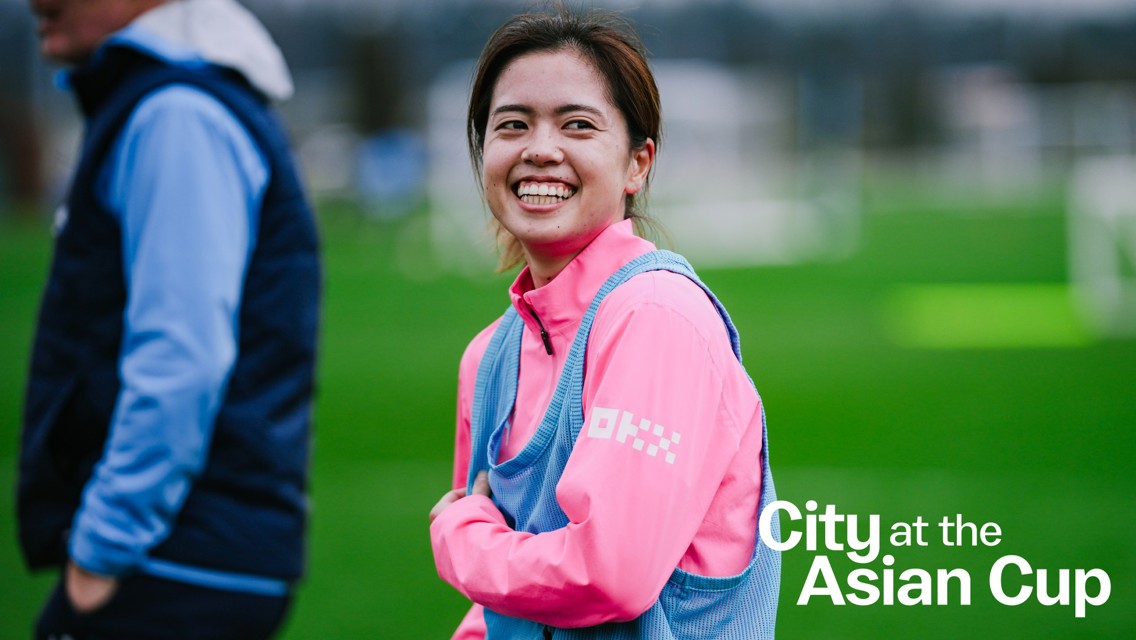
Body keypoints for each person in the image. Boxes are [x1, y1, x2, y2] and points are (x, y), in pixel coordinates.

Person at [429, 5, 780, 639]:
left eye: (577, 125)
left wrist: (458, 540)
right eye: (512, 125)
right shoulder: (490, 357)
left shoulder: (656, 319)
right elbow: (499, 605)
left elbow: (609, 573)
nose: (540, 149)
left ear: (637, 164)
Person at [18, 0, 320, 638]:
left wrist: (104, 544)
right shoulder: (173, 100)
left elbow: (182, 357)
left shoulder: (177, 113)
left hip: (175, 562)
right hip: (198, 555)